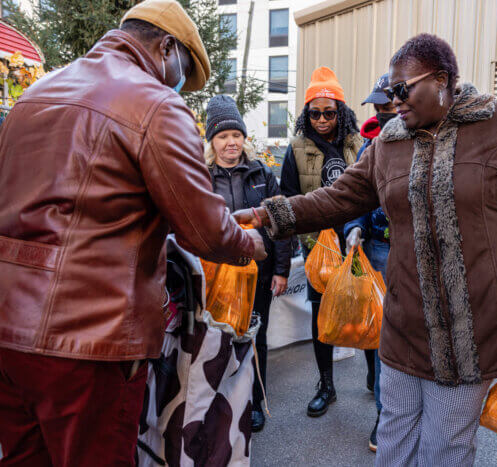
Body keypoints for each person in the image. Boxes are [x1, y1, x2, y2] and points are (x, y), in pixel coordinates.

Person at [237, 34, 497, 465]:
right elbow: (338, 198)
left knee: (445, 444)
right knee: (394, 430)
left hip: (474, 322)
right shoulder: (389, 142)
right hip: (406, 317)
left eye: (403, 89)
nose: (394, 100)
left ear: (441, 80)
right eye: (389, 92)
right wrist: (266, 214)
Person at [0, 1, 266, 465]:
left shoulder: (36, 94)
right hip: (90, 338)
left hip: (8, 329)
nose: (179, 85)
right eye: (183, 72)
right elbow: (204, 231)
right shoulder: (155, 104)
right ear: (166, 48)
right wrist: (250, 243)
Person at [279, 66, 367, 417]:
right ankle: (326, 384)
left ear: (341, 112)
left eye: (329, 112)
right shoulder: (297, 148)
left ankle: (376, 380)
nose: (321, 119)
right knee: (321, 315)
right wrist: (308, 237)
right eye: (314, 113)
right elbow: (287, 198)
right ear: (306, 114)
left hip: (356, 242)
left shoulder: (357, 144)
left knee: (364, 305)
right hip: (318, 247)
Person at [204, 95, 292, 433]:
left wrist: (282, 269)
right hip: (215, 277)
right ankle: (217, 401)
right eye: (223, 136)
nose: (231, 143)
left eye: (236, 135)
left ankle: (254, 401)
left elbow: (280, 224)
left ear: (244, 138)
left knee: (256, 337)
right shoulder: (202, 176)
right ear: (212, 141)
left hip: (259, 275)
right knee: (216, 340)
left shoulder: (262, 174)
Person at [344, 72, 396, 452]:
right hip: (379, 250)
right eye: (377, 102)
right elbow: (354, 195)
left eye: (388, 101)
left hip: (422, 255)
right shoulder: (370, 148)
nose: (381, 108)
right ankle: (385, 414)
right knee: (383, 338)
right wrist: (354, 227)